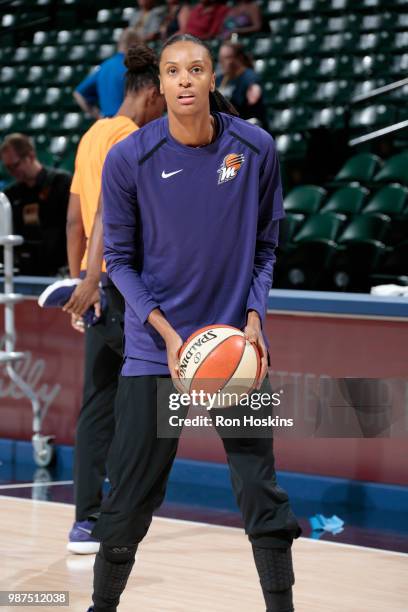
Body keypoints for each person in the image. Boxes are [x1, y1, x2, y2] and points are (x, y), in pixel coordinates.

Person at [86, 33, 301, 612]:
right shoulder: (129, 157)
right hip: (159, 352)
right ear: (159, 84)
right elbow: (119, 262)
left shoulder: (256, 148)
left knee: (261, 491)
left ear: (212, 80)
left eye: (196, 69)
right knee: (129, 499)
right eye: (173, 71)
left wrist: (255, 316)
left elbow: (265, 247)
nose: (184, 80)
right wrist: (165, 331)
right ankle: (101, 606)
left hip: (233, 347)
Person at [64, 43, 165, 554]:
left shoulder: (91, 134)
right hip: (122, 286)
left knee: (99, 403)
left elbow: (73, 216)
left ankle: (86, 521)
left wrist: (81, 281)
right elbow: (107, 210)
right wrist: (92, 280)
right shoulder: (132, 136)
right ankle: (127, 511)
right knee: (149, 397)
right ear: (150, 93)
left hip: (98, 288)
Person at [0, 133, 71, 276]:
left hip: (59, 268)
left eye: (15, 165)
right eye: (8, 168)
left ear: (30, 156)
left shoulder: (61, 183)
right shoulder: (11, 195)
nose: (12, 172)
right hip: (25, 269)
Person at [73, 28, 141, 119]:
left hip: (107, 125)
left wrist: (97, 115)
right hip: (128, 123)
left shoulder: (104, 66)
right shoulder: (133, 67)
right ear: (134, 44)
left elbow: (78, 94)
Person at [217, 41, 268, 128]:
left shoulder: (249, 76)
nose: (222, 62)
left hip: (250, 129)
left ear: (239, 58)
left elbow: (253, 98)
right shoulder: (220, 79)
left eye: (227, 58)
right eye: (221, 58)